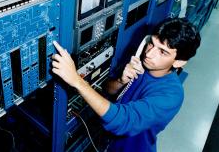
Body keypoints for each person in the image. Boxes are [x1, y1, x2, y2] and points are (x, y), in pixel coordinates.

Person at [51, 18, 201, 152]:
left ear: (179, 62)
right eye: (151, 44)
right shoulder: (141, 66)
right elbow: (108, 89)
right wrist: (121, 81)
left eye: (163, 52)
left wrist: (76, 80)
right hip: (108, 143)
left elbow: (122, 121)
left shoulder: (171, 95)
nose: (149, 54)